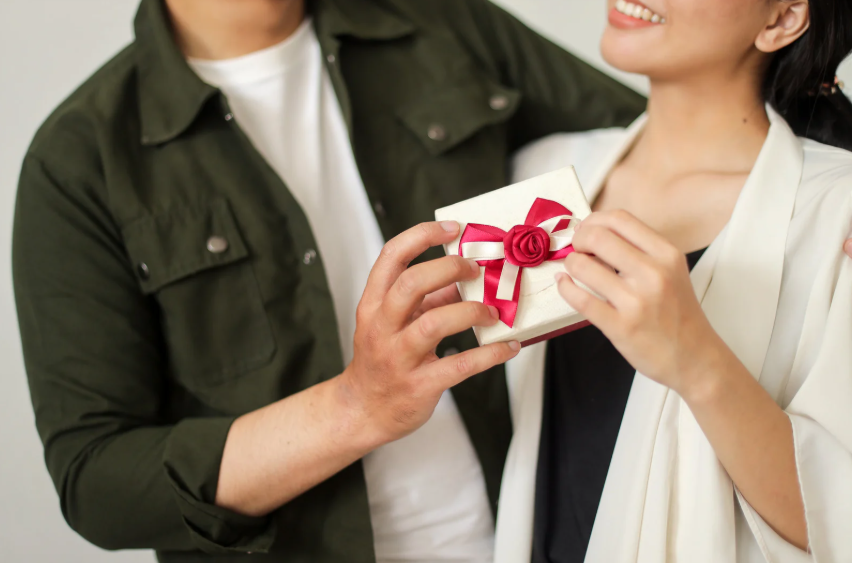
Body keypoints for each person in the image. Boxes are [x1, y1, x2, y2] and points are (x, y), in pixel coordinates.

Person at [12, 0, 651, 561]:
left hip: (547, 536)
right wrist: (356, 408)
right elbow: (96, 482)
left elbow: (660, 147)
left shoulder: (442, 23)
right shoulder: (79, 160)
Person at [495, 0, 852, 562]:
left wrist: (697, 362)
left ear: (781, 19)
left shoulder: (837, 213)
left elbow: (839, 517)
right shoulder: (540, 177)